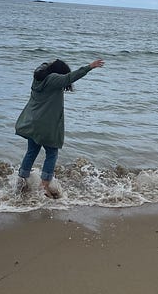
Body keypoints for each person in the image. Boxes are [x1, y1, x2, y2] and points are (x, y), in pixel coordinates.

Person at [15, 58, 104, 198]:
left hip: (32, 121)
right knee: (52, 152)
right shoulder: (52, 79)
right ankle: (44, 186)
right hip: (46, 124)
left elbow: (44, 65)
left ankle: (22, 181)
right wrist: (89, 67)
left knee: (32, 151)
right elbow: (69, 77)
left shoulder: (39, 77)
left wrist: (52, 63)